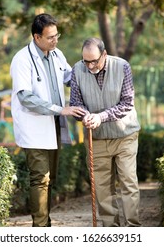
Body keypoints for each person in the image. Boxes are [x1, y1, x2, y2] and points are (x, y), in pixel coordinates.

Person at [10, 13, 86, 227]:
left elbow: (70, 77)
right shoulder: (22, 59)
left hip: (54, 126)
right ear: (36, 37)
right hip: (34, 126)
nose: (55, 40)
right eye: (50, 37)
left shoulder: (56, 54)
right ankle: (41, 228)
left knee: (49, 178)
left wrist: (90, 71)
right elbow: (25, 97)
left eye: (56, 35)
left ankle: (45, 221)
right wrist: (60, 109)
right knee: (40, 178)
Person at [70, 37, 141, 227]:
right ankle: (111, 232)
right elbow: (76, 103)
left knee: (128, 182)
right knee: (101, 187)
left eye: (94, 61)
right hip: (97, 138)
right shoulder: (77, 69)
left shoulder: (122, 66)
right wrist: (84, 115)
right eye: (86, 61)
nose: (90, 65)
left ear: (104, 54)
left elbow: (127, 103)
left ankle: (133, 228)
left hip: (125, 135)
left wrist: (101, 116)